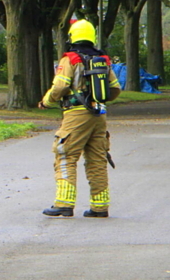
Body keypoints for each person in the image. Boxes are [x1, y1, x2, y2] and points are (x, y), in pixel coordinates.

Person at [38, 19, 121, 218]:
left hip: (76, 113)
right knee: (97, 159)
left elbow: (60, 86)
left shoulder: (70, 59)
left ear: (73, 36)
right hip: (99, 114)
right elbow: (116, 89)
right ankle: (100, 207)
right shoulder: (103, 59)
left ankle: (63, 204)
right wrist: (97, 100)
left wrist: (46, 102)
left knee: (65, 154)